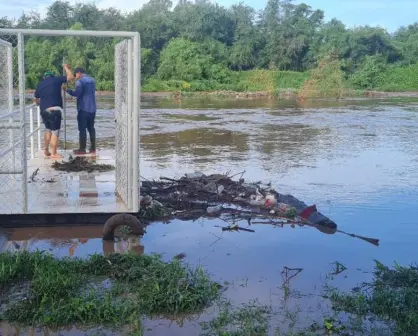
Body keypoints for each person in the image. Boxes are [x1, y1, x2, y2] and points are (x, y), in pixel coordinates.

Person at [34, 65, 73, 159]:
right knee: (55, 132)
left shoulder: (40, 84)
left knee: (48, 129)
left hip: (44, 111)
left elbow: (36, 100)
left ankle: (46, 150)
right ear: (52, 76)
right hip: (55, 110)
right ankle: (54, 153)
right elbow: (71, 77)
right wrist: (66, 68)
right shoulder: (57, 79)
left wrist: (40, 104)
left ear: (44, 77)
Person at [66, 67, 97, 155]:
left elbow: (77, 93)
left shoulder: (80, 82)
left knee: (82, 129)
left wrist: (68, 90)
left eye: (75, 76)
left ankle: (82, 149)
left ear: (78, 73)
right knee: (91, 129)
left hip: (83, 109)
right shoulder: (92, 80)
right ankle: (93, 148)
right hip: (93, 109)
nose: (75, 78)